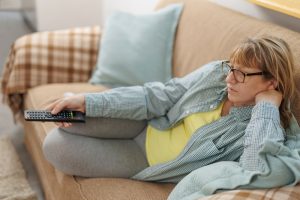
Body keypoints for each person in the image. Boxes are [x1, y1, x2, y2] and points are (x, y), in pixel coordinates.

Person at [43, 35, 298, 182]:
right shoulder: (216, 73)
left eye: (242, 74)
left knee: (55, 145)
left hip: (145, 159)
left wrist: (265, 107)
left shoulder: (263, 127)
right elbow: (163, 95)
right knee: (69, 116)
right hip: (148, 122)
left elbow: (257, 168)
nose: (229, 79)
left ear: (271, 81)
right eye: (231, 68)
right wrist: (88, 100)